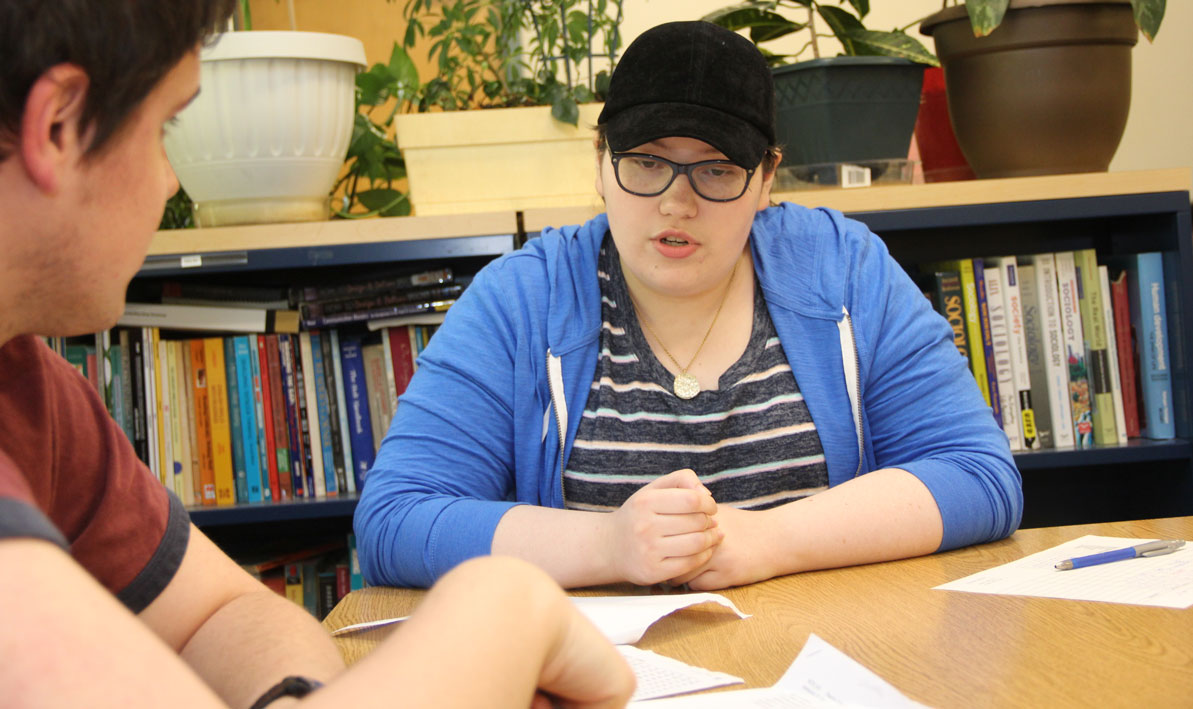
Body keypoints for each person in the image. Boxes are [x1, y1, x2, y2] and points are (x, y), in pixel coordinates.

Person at [0, 2, 633, 708]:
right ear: (56, 126)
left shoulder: (31, 389)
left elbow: (219, 613)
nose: (170, 180)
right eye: (163, 128)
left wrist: (293, 699)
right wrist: (511, 609)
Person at [354, 20, 1023, 591]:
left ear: (765, 178)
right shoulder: (523, 297)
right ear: (599, 162)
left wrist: (768, 540)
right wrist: (606, 546)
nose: (677, 200)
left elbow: (978, 476)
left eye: (717, 169)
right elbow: (393, 521)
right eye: (645, 162)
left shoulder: (840, 267)